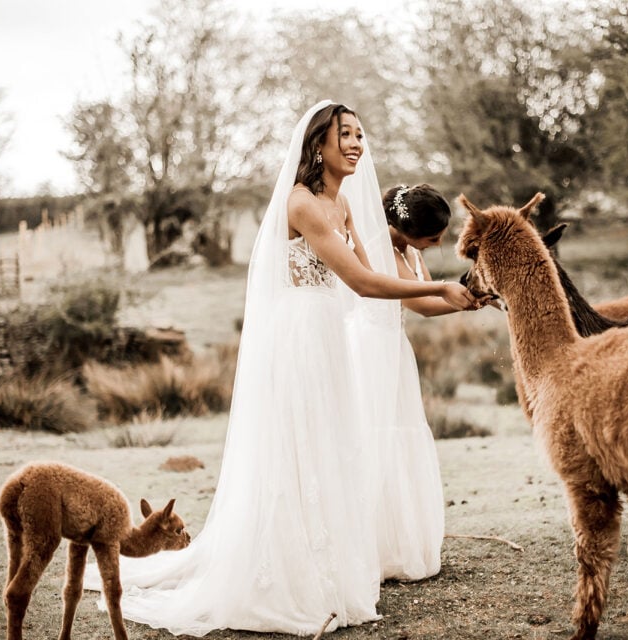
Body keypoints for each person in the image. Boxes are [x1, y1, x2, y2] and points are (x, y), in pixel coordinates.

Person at [83, 100, 477, 637]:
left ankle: (326, 573)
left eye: (360, 135)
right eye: (346, 135)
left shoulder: (342, 207)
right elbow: (363, 284)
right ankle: (287, 580)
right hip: (300, 339)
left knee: (333, 448)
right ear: (319, 145)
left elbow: (375, 272)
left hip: (329, 337)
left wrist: (455, 293)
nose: (357, 144)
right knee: (300, 451)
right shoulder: (305, 206)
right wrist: (435, 286)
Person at [372, 184, 493, 582]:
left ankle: (393, 541)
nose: (437, 243)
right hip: (367, 348)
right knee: (374, 441)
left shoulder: (407, 249)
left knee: (398, 440)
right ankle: (373, 546)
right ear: (405, 227)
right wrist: (448, 295)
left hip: (393, 348)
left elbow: (426, 308)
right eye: (432, 238)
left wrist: (472, 301)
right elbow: (423, 300)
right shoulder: (376, 246)